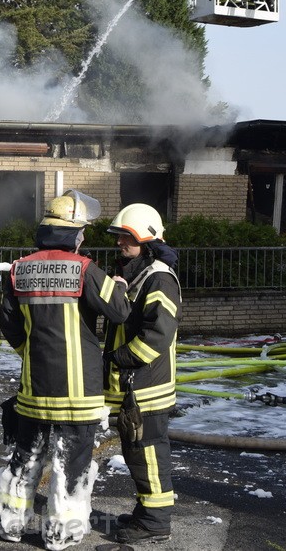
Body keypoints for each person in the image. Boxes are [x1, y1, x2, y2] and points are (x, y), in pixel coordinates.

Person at [0, 190, 131, 551]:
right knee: (71, 465)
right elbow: (119, 312)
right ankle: (60, 534)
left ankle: (9, 524)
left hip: (33, 390)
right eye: (81, 231)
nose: (84, 237)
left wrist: (30, 353)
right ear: (72, 235)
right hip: (78, 392)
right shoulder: (85, 269)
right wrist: (118, 287)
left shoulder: (20, 269)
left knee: (26, 459)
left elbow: (8, 325)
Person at [102, 203, 181, 545]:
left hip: (146, 386)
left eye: (127, 239)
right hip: (136, 385)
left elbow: (158, 333)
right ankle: (147, 513)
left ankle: (155, 522)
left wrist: (121, 358)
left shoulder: (159, 277)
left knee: (148, 454)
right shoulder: (138, 273)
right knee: (139, 454)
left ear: (147, 242)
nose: (120, 244)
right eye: (119, 238)